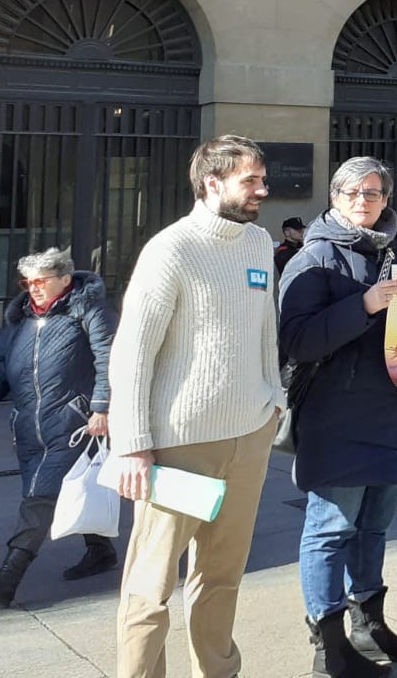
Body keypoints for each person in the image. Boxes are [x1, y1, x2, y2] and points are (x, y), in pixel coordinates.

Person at [106, 135, 282, 678]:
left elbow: (265, 334)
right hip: (180, 444)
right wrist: (133, 445)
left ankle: (218, 671)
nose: (262, 189)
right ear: (212, 182)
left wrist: (273, 400)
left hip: (248, 435)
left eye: (261, 178)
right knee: (150, 585)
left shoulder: (257, 243)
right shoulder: (171, 248)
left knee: (222, 574)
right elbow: (132, 352)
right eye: (249, 180)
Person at [279, 157, 397, 675]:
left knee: (375, 528)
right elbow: (297, 341)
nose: (364, 200)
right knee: (331, 529)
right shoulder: (314, 258)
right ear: (335, 197)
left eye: (374, 193)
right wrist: (367, 305)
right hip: (338, 416)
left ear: (386, 200)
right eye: (354, 192)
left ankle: (368, 624)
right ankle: (327, 643)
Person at [0, 248, 116, 608]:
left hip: (74, 423)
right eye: (27, 282)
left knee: (40, 497)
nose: (33, 288)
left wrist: (102, 407)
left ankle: (7, 578)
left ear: (64, 278)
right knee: (60, 490)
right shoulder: (20, 323)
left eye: (41, 281)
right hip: (29, 425)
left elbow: (109, 359)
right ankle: (100, 549)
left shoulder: (89, 312)